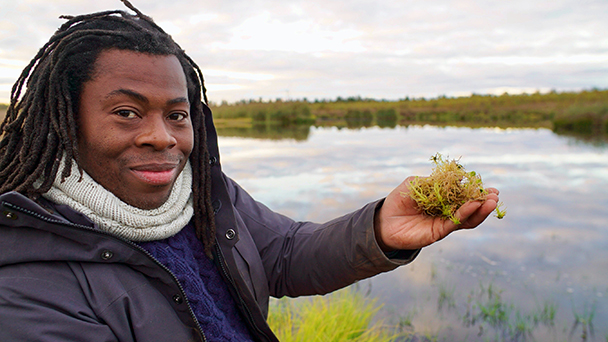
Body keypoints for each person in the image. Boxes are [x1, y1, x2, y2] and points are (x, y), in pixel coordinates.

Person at [0, 2, 499, 341]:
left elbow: (282, 254)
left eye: (177, 114)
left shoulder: (204, 196)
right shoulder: (26, 280)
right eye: (126, 112)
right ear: (62, 120)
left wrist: (382, 229)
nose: (164, 136)